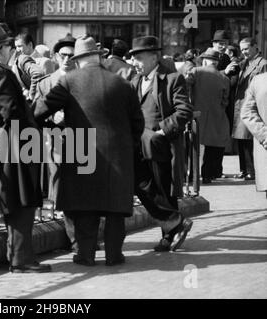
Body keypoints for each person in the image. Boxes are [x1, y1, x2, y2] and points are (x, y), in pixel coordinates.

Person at [34, 36, 145, 267]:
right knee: (115, 210)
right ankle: (114, 255)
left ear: (78, 59)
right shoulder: (122, 83)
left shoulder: (69, 81)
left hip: (81, 152)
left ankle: (85, 255)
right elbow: (138, 123)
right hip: (118, 155)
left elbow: (41, 110)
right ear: (98, 57)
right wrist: (127, 145)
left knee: (85, 208)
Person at [0, 21, 50, 274]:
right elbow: (12, 114)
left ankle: (17, 257)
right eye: (8, 45)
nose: (10, 50)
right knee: (22, 205)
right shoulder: (0, 74)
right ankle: (21, 260)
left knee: (11, 205)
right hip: (14, 149)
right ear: (1, 47)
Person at [130, 36, 194, 252]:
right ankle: (175, 222)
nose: (135, 62)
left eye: (139, 57)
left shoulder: (173, 79)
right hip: (138, 146)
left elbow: (184, 111)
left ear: (154, 57)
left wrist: (161, 131)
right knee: (141, 186)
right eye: (133, 58)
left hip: (161, 146)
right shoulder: (134, 81)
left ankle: (168, 236)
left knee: (164, 190)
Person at [33, 33, 77, 251]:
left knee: (79, 181)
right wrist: (52, 117)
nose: (67, 59)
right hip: (54, 137)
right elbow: (35, 110)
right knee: (56, 175)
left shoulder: (83, 79)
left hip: (80, 138)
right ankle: (57, 214)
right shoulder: (45, 83)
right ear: (56, 57)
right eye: (63, 55)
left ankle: (78, 231)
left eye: (71, 55)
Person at [224, 38, 267, 181]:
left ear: (255, 47)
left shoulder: (262, 64)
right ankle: (244, 169)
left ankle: (251, 171)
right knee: (241, 140)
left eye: (246, 49)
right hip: (240, 106)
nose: (244, 52)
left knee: (248, 140)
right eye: (242, 49)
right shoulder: (244, 63)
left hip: (251, 106)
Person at [186, 48, 230, 184]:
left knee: (193, 146)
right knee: (212, 146)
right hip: (216, 115)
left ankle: (192, 175)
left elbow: (185, 87)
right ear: (216, 62)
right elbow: (225, 101)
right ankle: (207, 175)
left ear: (204, 60)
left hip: (196, 113)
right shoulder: (224, 78)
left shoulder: (196, 71)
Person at [241, 73, 267, 198]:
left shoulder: (258, 81)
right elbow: (247, 112)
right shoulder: (258, 81)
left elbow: (247, 112)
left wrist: (264, 135)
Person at [13, 32, 45, 101]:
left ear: (30, 45)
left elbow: (46, 86)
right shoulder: (17, 60)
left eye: (20, 46)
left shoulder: (44, 61)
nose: (17, 50)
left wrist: (31, 94)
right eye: (16, 47)